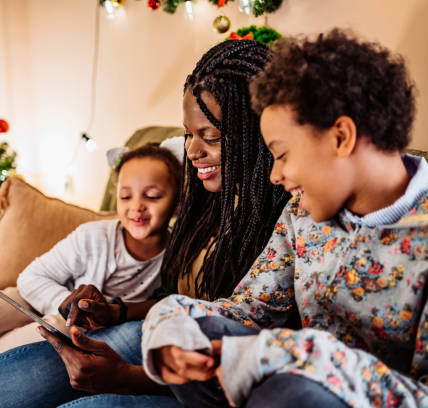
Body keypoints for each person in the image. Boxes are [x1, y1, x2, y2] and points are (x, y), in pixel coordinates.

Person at [0, 39, 289, 408]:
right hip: (155, 333)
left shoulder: (286, 214)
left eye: (211, 137)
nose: (192, 151)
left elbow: (244, 344)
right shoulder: (205, 201)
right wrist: (117, 310)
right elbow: (175, 297)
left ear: (257, 132)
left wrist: (126, 378)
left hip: (212, 367)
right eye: (189, 134)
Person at [143, 29, 428, 408]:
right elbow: (249, 309)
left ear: (340, 137)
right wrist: (167, 322)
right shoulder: (301, 213)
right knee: (197, 330)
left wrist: (297, 354)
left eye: (281, 154)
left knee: (289, 390)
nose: (275, 175)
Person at [0, 143, 182, 360]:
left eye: (153, 196)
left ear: (178, 201)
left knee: (4, 351)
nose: (136, 207)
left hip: (67, 327)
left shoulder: (176, 256)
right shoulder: (94, 235)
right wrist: (67, 305)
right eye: (126, 197)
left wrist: (73, 319)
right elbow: (30, 278)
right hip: (34, 297)